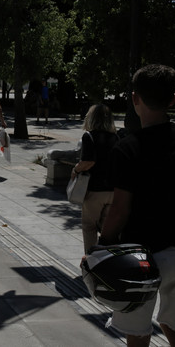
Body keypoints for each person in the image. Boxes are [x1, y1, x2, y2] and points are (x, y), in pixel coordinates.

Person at [99, 64, 175, 347]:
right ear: (173, 100)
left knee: (137, 332)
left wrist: (103, 246)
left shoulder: (128, 148)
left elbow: (120, 209)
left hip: (142, 257)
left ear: (135, 98)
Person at [72, 104, 119, 254]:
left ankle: (91, 263)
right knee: (107, 230)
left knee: (89, 226)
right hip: (112, 190)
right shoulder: (116, 137)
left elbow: (88, 162)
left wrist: (75, 169)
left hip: (94, 190)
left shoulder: (89, 136)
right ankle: (107, 261)